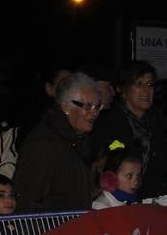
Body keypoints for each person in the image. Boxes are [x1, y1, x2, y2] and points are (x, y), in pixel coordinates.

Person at [90, 61, 167, 199]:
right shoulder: (109, 124)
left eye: (150, 84)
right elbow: (115, 180)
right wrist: (166, 182)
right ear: (123, 89)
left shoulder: (156, 121)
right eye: (138, 84)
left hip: (154, 201)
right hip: (118, 202)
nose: (146, 90)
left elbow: (166, 168)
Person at [14, 73, 103, 212]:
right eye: (87, 106)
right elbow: (28, 199)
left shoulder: (78, 140)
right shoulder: (44, 144)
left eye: (97, 107)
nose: (94, 113)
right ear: (66, 107)